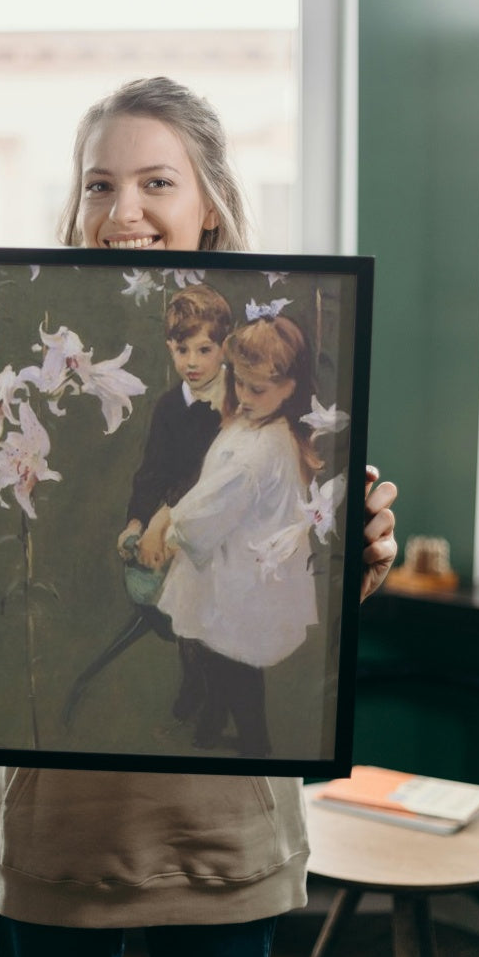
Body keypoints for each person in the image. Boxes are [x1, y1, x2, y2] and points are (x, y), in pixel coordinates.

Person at [0, 76, 398, 957]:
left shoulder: (283, 372)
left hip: (220, 839)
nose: (121, 208)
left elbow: (307, 585)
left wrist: (355, 558)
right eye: (98, 183)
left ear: (209, 202)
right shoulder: (9, 361)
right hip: (54, 836)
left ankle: (206, 708)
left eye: (156, 182)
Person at [155, 314, 323, 759]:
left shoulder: (261, 448)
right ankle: (215, 716)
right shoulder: (257, 424)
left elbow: (213, 506)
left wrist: (173, 531)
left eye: (257, 389)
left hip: (238, 574)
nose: (244, 397)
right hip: (232, 564)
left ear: (289, 387)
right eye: (240, 384)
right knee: (217, 652)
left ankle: (255, 742)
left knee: (236, 662)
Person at [117, 283, 234, 722]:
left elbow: (206, 479)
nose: (193, 362)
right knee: (183, 613)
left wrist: (160, 523)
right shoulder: (169, 406)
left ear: (225, 347)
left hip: (221, 523)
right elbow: (153, 472)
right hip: (174, 526)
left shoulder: (236, 405)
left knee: (208, 605)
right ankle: (195, 682)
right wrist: (135, 522)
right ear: (170, 347)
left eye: (204, 349)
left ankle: (215, 701)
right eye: (182, 349)